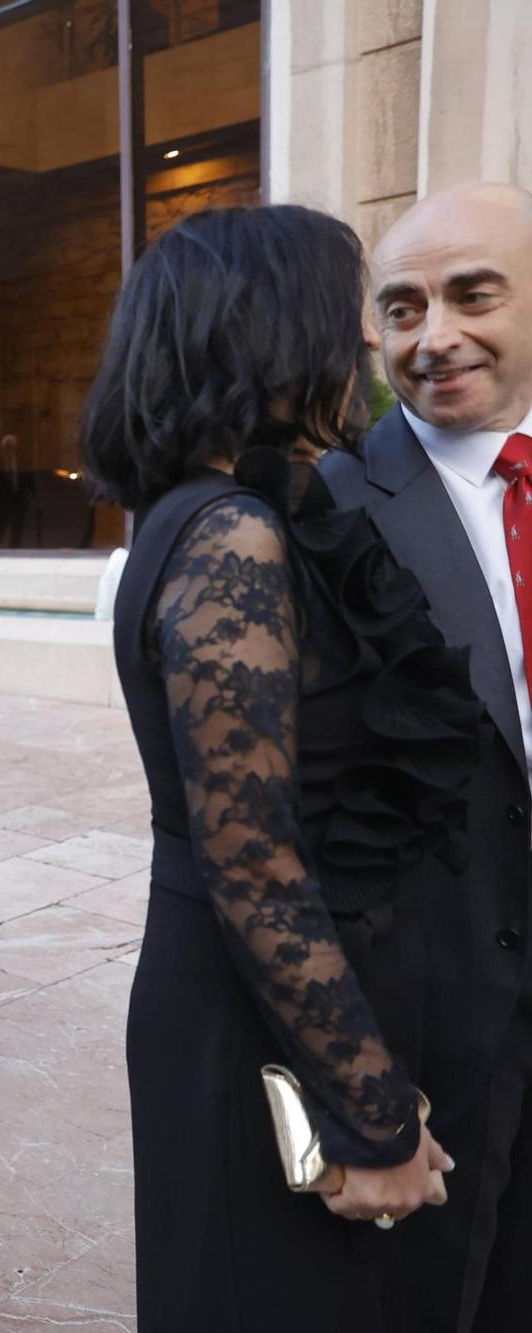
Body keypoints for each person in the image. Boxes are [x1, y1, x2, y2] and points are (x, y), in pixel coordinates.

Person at [86, 205, 476, 1331]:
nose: (361, 343)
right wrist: (374, 1115)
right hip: (243, 1016)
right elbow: (251, 861)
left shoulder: (204, 515)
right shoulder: (229, 537)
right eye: (341, 313)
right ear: (266, 334)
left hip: (243, 997)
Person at [322, 182, 532, 1331]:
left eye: (471, 294)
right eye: (401, 308)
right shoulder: (327, 512)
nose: (432, 333)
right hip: (433, 1015)